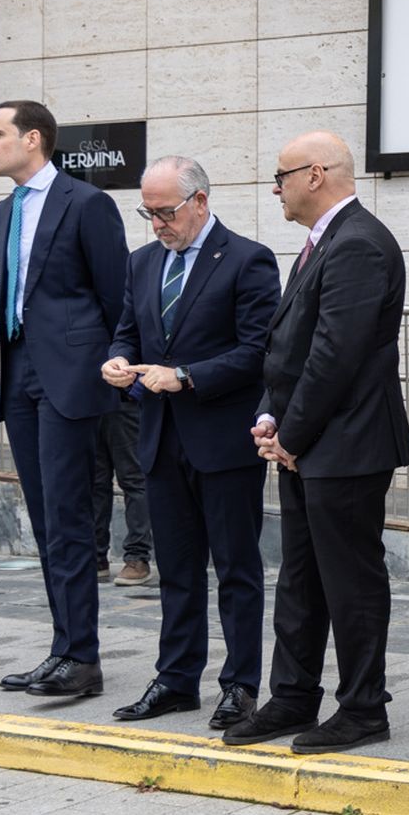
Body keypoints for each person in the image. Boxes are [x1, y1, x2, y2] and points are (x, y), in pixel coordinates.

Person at [222, 132, 409, 755]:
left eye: (280, 176)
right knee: (301, 577)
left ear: (315, 174)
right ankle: (294, 696)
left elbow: (337, 355)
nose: (274, 188)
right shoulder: (324, 241)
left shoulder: (358, 243)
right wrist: (274, 418)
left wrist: (292, 434)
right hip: (311, 440)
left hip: (348, 443)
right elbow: (295, 349)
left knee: (350, 580)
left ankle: (363, 708)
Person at [102, 156, 280, 731]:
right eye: (147, 212)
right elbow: (129, 329)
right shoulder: (141, 263)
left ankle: (240, 686)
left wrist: (186, 376)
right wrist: (118, 360)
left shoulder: (248, 259)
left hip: (223, 441)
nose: (155, 223)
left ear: (200, 201)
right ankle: (177, 680)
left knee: (236, 569)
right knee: (177, 570)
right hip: (159, 437)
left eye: (165, 211)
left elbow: (258, 352)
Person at [0, 100, 128, 698]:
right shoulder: (5, 210)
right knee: (46, 519)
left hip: (69, 376)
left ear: (33, 139)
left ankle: (83, 658)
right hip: (18, 371)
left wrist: (116, 368)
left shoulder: (87, 203)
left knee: (69, 517)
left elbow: (116, 294)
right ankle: (64, 647)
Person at [90, 392, 154, 585]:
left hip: (124, 399)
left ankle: (138, 558)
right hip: (89, 403)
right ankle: (96, 557)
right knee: (95, 483)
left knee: (133, 480)